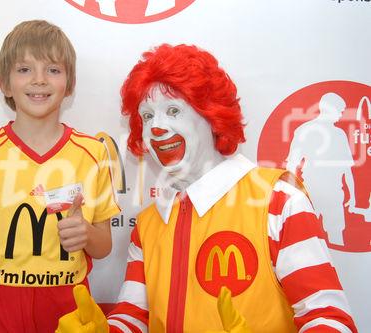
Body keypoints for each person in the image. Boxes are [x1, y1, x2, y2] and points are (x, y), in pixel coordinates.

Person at [56, 44, 357, 332]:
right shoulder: (148, 226)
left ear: (211, 115)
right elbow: (134, 316)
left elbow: (329, 318)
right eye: (147, 116)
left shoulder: (279, 201)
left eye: (173, 111)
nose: (157, 128)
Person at [0, 20, 120, 333]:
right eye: (24, 69)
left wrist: (86, 234)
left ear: (69, 84)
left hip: (69, 309)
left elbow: (104, 244)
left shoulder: (93, 153)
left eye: (53, 70)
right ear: (4, 82)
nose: (39, 80)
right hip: (0, 310)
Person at [286, 92, 356, 246]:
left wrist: (352, 195)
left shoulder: (338, 134)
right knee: (304, 238)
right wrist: (291, 193)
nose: (341, 115)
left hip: (331, 194)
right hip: (311, 194)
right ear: (330, 109)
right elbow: (292, 163)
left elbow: (346, 169)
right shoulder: (309, 131)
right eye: (340, 111)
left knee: (333, 237)